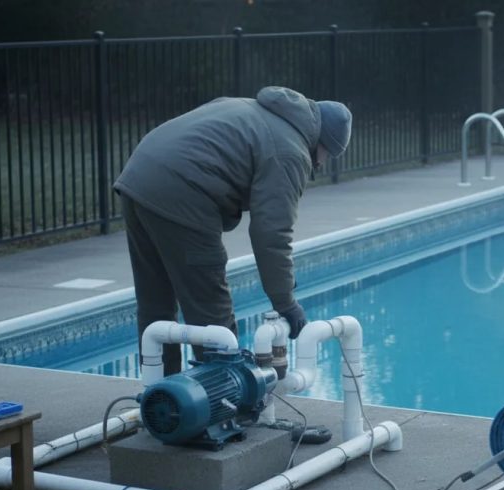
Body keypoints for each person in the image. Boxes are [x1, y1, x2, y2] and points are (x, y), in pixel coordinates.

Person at [114, 86, 353, 377]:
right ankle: (223, 404)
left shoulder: (251, 107)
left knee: (155, 304)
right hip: (183, 191)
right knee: (211, 311)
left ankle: (160, 396)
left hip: (137, 177)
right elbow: (273, 235)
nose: (321, 163)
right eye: (327, 155)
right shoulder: (290, 151)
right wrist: (285, 302)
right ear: (321, 142)